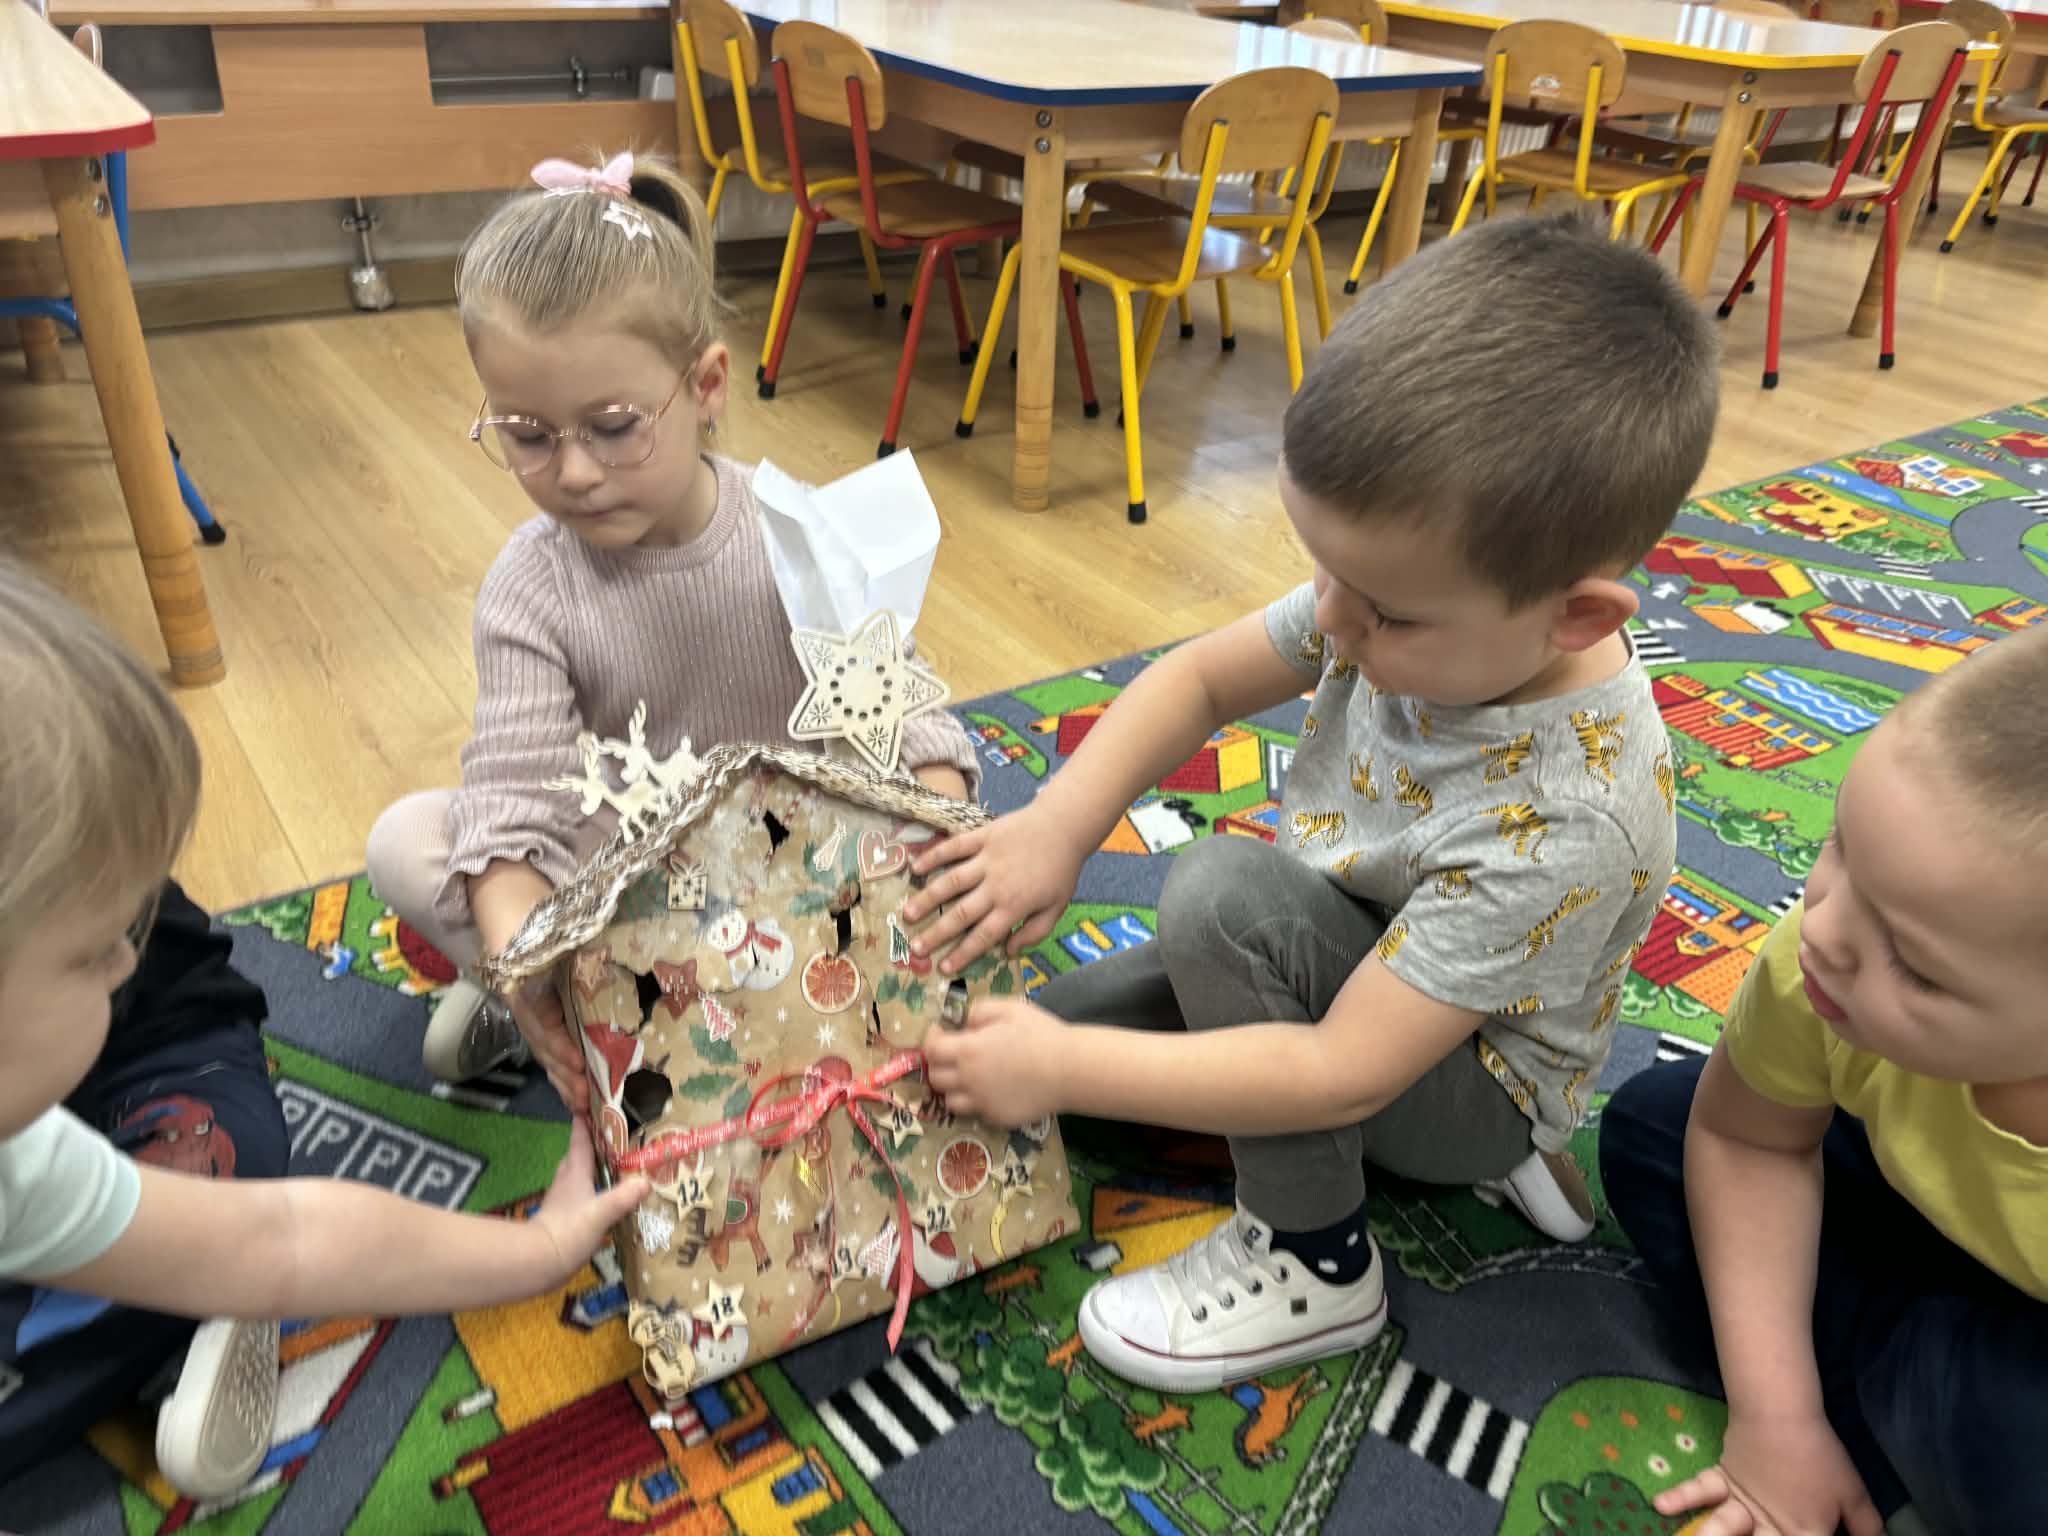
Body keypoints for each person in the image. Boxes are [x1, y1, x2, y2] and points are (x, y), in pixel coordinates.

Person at [908, 216, 1719, 1393]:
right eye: (1324, 570)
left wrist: (1063, 1070)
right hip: (1363, 951)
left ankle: (1317, 1260)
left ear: (1575, 617)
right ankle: (1172, 1070)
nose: (1331, 619)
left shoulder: (1572, 815)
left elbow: (1341, 1072)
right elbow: (1198, 679)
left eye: (1380, 608)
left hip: (1461, 1077)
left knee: (1207, 908)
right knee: (1041, 1057)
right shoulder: (1409, 597)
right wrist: (1057, 827)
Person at [0, 562, 647, 1498]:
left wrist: (541, 1250)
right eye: (97, 948)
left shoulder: (38, 1146)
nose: (120, 965)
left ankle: (196, 1276)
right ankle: (191, 1286)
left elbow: (288, 1239)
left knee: (217, 1172)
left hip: (163, 1069)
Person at [364, 151, 977, 1095]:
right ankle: (561, 1009)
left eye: (614, 427)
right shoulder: (531, 586)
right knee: (406, 841)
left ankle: (682, 1012)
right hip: (627, 895)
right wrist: (525, 964)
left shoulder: (793, 531)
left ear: (706, 386)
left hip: (796, 874)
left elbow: (910, 727)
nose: (574, 472)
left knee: (966, 851)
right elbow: (511, 804)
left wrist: (938, 857)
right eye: (528, 435)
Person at [1600, 622, 2048, 1536]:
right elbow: (1745, 1140)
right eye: (1842, 845)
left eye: (1914, 964)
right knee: (1656, 1129)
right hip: (1915, 1202)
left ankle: (1900, 1436)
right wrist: (1778, 1417)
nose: (1825, 929)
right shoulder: (1830, 965)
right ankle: (1880, 1440)